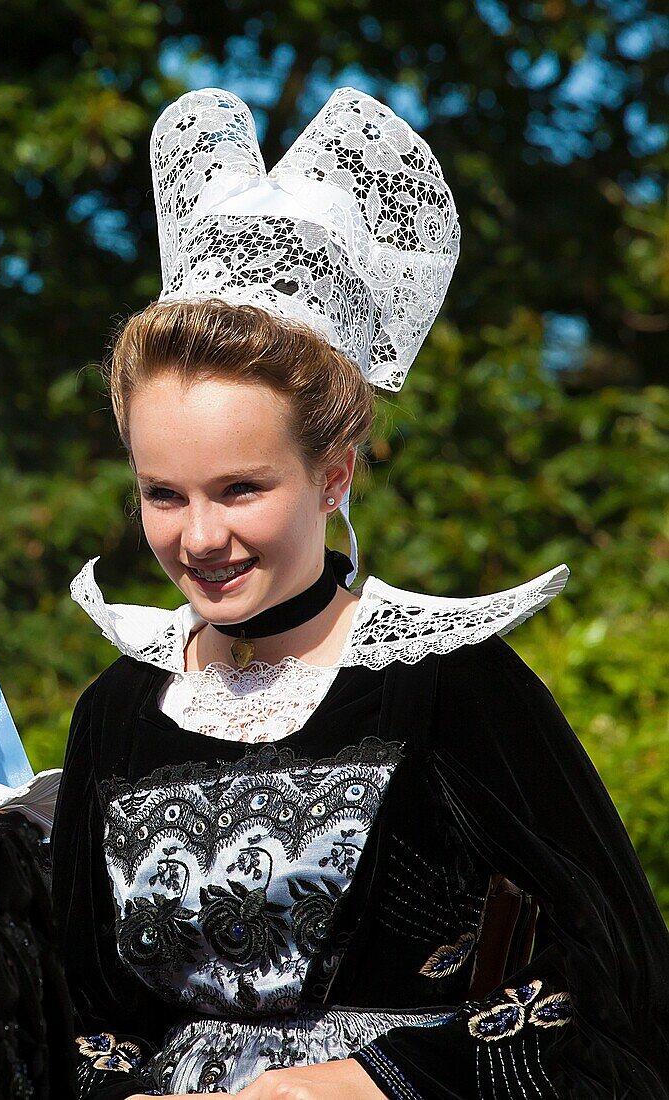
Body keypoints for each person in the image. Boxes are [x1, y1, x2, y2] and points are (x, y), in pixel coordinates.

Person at [50, 88, 669, 1100]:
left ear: (333, 475)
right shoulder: (116, 709)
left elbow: (619, 990)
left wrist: (366, 1078)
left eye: (242, 488)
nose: (199, 536)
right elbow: (73, 1018)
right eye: (164, 493)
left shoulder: (449, 685)